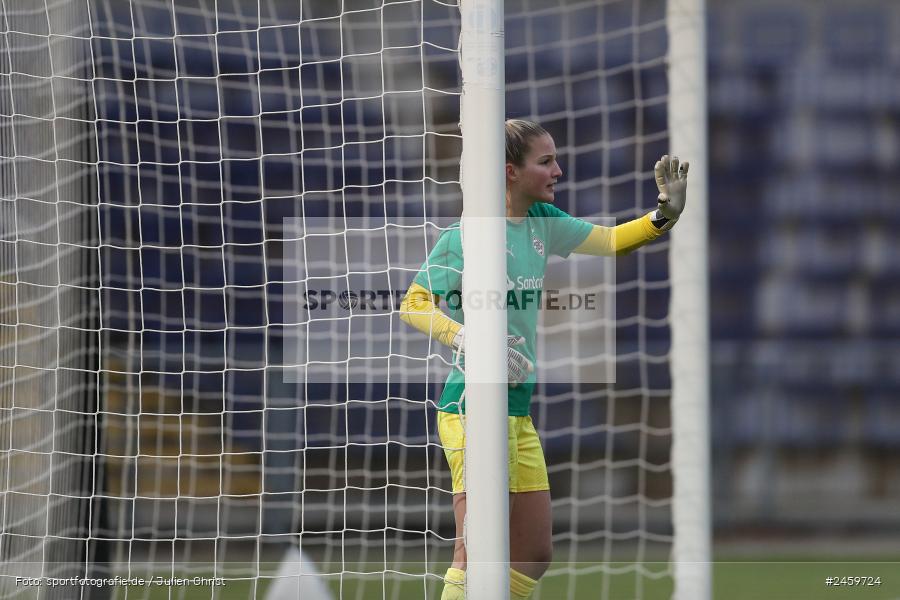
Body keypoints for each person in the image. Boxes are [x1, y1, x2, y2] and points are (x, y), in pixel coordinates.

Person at [398, 119, 689, 600]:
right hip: (470, 406)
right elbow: (414, 303)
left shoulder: (544, 224)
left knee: (533, 553)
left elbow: (611, 241)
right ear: (510, 171)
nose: (560, 170)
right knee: (474, 552)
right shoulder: (467, 235)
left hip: (515, 409)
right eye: (546, 161)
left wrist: (663, 218)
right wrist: (466, 338)